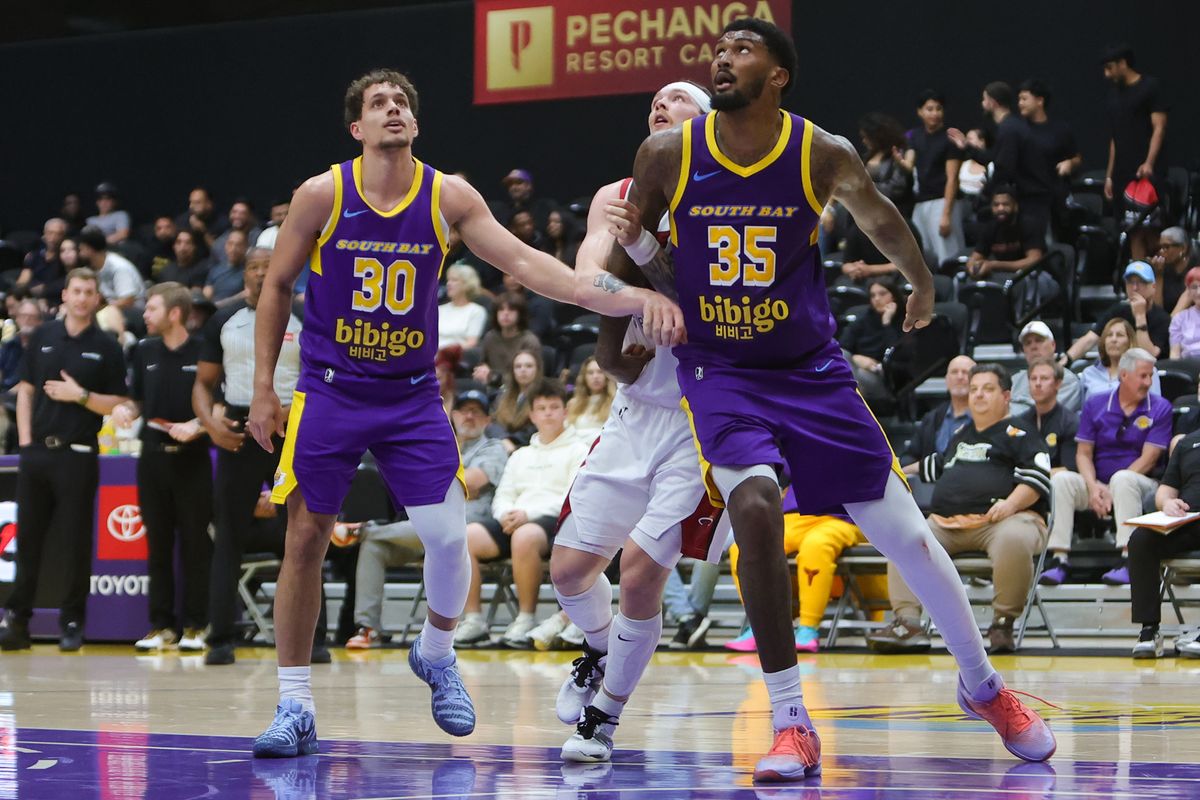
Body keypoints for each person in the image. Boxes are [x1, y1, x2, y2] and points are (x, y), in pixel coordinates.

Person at [612, 19, 1054, 781]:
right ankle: (790, 720)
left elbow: (879, 216)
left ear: (779, 74)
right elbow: (634, 249)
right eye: (718, 49)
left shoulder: (819, 151)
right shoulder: (665, 155)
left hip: (810, 371)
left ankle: (982, 687)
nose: (722, 58)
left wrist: (919, 282)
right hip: (722, 369)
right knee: (752, 505)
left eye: (742, 49)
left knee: (908, 539)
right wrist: (625, 322)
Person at [245, 69, 682, 758]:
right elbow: (274, 287)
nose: (393, 111)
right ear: (356, 128)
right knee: (306, 537)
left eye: (403, 105)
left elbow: (540, 270)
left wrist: (635, 298)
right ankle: (294, 702)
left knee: (449, 538)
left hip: (410, 394)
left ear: (415, 125)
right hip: (329, 389)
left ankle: (437, 652)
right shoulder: (322, 194)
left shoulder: (447, 196)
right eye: (378, 105)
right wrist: (265, 387)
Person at [547, 79, 728, 763]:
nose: (661, 103)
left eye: (679, 99)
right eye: (655, 100)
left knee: (641, 574)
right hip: (632, 411)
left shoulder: (726, 197)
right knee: (568, 571)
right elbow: (585, 278)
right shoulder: (616, 197)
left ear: (706, 124)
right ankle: (598, 648)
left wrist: (656, 274)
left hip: (698, 417)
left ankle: (603, 721)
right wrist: (639, 295)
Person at [870, 365, 1051, 654]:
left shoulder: (1021, 432)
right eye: (975, 388)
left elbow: (1038, 478)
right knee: (904, 538)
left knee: (1013, 538)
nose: (978, 395)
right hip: (948, 523)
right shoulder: (962, 434)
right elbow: (934, 466)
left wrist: (1011, 504)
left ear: (1006, 396)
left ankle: (1002, 623)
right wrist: (895, 472)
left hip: (1002, 522)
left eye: (988, 389)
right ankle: (908, 623)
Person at [192, 249, 315, 666]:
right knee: (227, 534)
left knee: (301, 535)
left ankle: (309, 640)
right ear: (244, 273)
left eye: (270, 265)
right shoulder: (223, 318)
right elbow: (203, 384)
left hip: (292, 428)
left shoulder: (304, 315)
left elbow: (319, 375)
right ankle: (220, 637)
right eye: (255, 266)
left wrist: (291, 410)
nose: (263, 272)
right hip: (240, 431)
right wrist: (211, 425)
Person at [0, 269, 127, 653]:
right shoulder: (42, 336)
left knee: (74, 543)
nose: (82, 297)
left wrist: (81, 395)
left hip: (79, 454)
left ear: (96, 298)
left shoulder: (106, 346)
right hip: (38, 452)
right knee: (29, 541)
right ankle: (17, 621)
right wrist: (25, 443)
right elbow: (25, 392)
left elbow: (119, 402)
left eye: (89, 291)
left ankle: (72, 622)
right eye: (76, 290)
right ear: (66, 295)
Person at [349, 388, 509, 649]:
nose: (469, 417)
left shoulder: (493, 448)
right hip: (428, 523)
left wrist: (426, 485)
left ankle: (363, 530)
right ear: (452, 415)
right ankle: (368, 628)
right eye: (464, 411)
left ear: (487, 420)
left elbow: (469, 482)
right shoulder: (440, 445)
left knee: (437, 528)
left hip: (468, 526)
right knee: (375, 548)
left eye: (477, 412)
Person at [112, 283, 211, 653]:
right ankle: (161, 626)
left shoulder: (203, 351)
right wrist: (127, 410)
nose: (145, 314)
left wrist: (198, 426)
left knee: (195, 544)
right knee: (157, 544)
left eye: (152, 308)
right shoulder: (143, 350)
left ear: (174, 312)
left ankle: (197, 625)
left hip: (193, 458)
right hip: (152, 456)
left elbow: (216, 404)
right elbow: (137, 400)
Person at [1045, 348, 1171, 586]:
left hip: (1143, 484)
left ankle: (1129, 558)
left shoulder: (1160, 407)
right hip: (1099, 485)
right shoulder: (1096, 404)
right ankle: (1059, 559)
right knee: (1061, 480)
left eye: (1150, 376)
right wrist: (1093, 488)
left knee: (1123, 479)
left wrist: (1111, 488)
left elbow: (1150, 458)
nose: (1148, 382)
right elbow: (1083, 453)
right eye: (1143, 376)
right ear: (1124, 376)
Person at [478, 381, 587, 648]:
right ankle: (473, 621)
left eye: (554, 407)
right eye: (541, 408)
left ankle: (525, 617)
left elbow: (572, 498)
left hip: (557, 522)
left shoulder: (580, 450)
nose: (548, 413)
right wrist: (505, 513)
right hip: (515, 519)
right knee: (467, 537)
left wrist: (528, 514)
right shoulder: (520, 455)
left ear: (565, 412)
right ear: (532, 415)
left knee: (525, 536)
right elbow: (503, 493)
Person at [726, 489, 884, 653]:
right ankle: (760, 629)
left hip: (841, 518)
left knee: (816, 545)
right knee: (742, 548)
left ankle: (808, 628)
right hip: (790, 517)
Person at [1128, 426, 1200, 658]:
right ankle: (1149, 630)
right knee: (1141, 539)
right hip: (1186, 520)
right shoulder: (1187, 443)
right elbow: (1164, 492)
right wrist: (1168, 503)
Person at [1102, 44, 1169, 262]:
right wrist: (1110, 175)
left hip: (1147, 173)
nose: (1107, 74)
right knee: (1132, 229)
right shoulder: (1113, 96)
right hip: (1123, 172)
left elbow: (1159, 126)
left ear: (1123, 64)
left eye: (1110, 68)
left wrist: (1149, 162)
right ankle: (1138, 286)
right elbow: (1115, 137)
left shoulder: (1150, 87)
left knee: (1152, 229)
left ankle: (1160, 284)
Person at [1063, 261, 1171, 363]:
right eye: (1130, 282)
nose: (1134, 288)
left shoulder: (1162, 318)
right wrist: (1065, 361)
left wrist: (1140, 317)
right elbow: (1090, 339)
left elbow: (1149, 356)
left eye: (1141, 282)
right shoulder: (1118, 310)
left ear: (1153, 287)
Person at [903, 90, 963, 267]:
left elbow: (953, 178)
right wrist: (899, 161)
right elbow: (908, 164)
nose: (935, 113)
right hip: (921, 202)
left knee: (947, 255)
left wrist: (946, 214)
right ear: (920, 111)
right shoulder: (914, 136)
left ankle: (952, 292)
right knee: (920, 254)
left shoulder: (949, 138)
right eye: (930, 109)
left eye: (938, 109)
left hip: (942, 201)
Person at [1016, 79, 1082, 239]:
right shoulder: (1017, 130)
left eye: (1024, 99)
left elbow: (1077, 157)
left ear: (1040, 100)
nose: (1020, 104)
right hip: (1027, 199)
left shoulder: (1059, 129)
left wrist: (1070, 163)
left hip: (1054, 199)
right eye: (1019, 100)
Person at [900, 355, 974, 472]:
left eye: (965, 372)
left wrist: (918, 468)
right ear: (946, 380)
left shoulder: (986, 419)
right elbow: (909, 456)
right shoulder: (932, 418)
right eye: (954, 372)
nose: (960, 377)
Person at [840, 278, 904, 409]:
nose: (877, 299)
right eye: (873, 295)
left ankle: (850, 408)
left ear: (894, 295)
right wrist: (856, 358)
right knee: (842, 354)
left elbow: (896, 355)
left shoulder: (905, 321)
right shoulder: (864, 319)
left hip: (886, 378)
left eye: (882, 293)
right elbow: (843, 347)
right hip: (857, 371)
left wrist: (887, 322)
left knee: (861, 375)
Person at [1078, 317, 1162, 403]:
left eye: (1120, 335)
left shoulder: (1147, 371)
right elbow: (1083, 412)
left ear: (1130, 341)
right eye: (1109, 335)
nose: (1113, 339)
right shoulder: (1089, 373)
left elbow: (1155, 409)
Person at [1008, 321, 1081, 417]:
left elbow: (1048, 415)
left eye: (1039, 340)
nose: (1033, 347)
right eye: (1028, 343)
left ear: (1053, 345)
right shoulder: (1014, 380)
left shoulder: (1067, 380)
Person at [472, 292, 540, 387]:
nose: (505, 313)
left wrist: (493, 376)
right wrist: (482, 371)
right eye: (501, 310)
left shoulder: (529, 341)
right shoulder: (490, 337)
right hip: (491, 387)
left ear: (520, 314)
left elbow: (528, 376)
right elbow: (482, 364)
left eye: (511, 310)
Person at [77, 225, 145, 310]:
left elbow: (127, 300)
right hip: (112, 310)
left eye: (81, 250)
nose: (79, 254)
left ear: (89, 250)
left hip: (132, 313)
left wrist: (98, 311)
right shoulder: (94, 268)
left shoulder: (119, 267)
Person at [488, 348, 543, 452]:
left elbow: (536, 428)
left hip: (529, 448)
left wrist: (511, 441)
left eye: (529, 366)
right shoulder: (502, 395)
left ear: (537, 369)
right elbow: (492, 423)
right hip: (501, 445)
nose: (523, 370)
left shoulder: (544, 396)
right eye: (518, 366)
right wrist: (503, 439)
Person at [437, 263, 488, 349]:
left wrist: (445, 352)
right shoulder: (439, 309)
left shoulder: (476, 311)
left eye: (454, 280)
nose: (449, 284)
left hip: (456, 357)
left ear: (467, 284)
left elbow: (472, 343)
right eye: (448, 280)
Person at [15, 218, 68, 301]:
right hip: (31, 298)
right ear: (44, 233)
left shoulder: (66, 257)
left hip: (56, 299)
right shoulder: (34, 256)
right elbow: (23, 281)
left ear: (64, 236)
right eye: (50, 233)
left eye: (58, 234)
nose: (53, 238)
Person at [565, 356, 615, 440]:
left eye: (600, 372)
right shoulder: (573, 403)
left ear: (607, 376)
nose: (595, 376)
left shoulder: (614, 403)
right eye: (590, 373)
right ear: (584, 377)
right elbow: (566, 430)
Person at [1154, 228, 1197, 316]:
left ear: (1183, 248)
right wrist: (1158, 276)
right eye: (1160, 247)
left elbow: (1188, 296)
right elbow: (1158, 312)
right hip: (1168, 321)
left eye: (1166, 247)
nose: (1162, 251)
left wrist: (1166, 325)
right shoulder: (1162, 268)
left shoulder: (1196, 266)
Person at [204, 229, 251, 305]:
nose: (233, 249)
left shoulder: (249, 271)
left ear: (246, 247)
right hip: (212, 311)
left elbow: (246, 294)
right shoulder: (215, 269)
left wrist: (218, 305)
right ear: (225, 246)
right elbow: (206, 295)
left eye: (238, 245)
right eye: (230, 244)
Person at [1169, 268, 1200, 359]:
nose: (1199, 293)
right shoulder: (1179, 318)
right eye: (1194, 287)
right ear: (1188, 290)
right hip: (1188, 367)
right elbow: (1174, 353)